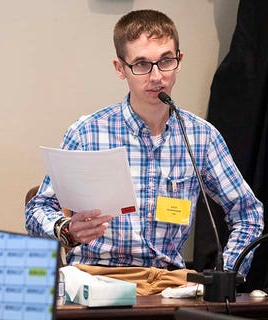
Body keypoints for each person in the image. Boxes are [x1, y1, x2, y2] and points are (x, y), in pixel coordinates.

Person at [25, 9, 263, 294]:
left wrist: (228, 273)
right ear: (119, 68)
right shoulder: (88, 132)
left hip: (168, 286)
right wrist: (67, 230)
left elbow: (248, 212)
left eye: (165, 61)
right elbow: (37, 209)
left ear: (179, 61)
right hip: (97, 279)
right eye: (141, 64)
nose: (155, 77)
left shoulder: (201, 136)